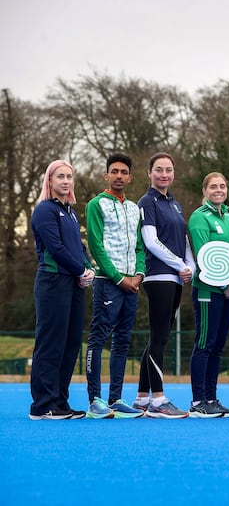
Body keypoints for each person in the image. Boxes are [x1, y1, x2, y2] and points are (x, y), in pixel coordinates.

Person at [29, 160, 95, 420]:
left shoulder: (70, 211)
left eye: (69, 176)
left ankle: (60, 402)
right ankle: (42, 405)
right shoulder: (44, 210)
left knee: (70, 344)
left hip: (73, 283)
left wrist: (88, 268)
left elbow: (78, 247)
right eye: (60, 177)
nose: (66, 181)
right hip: (52, 282)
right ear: (50, 181)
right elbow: (56, 248)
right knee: (50, 343)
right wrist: (80, 270)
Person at [134, 152, 195, 419]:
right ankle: (158, 400)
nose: (164, 174)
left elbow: (183, 240)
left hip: (176, 277)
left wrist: (190, 266)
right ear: (150, 173)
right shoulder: (146, 202)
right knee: (159, 336)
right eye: (159, 169)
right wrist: (178, 265)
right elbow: (150, 241)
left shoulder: (175, 204)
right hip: (158, 276)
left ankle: (140, 398)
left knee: (158, 336)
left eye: (168, 170)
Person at [84, 153, 145, 419]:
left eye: (124, 172)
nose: (119, 176)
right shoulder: (96, 204)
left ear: (130, 177)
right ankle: (95, 400)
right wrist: (119, 278)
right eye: (114, 171)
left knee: (122, 340)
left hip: (132, 283)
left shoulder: (134, 208)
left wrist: (138, 275)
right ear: (106, 175)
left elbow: (140, 246)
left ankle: (116, 398)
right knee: (99, 338)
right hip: (108, 282)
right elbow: (96, 245)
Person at [187, 172, 229, 418]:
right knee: (204, 344)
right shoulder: (200, 217)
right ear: (205, 190)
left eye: (222, 186)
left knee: (217, 346)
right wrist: (224, 285)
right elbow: (203, 258)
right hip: (208, 290)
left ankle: (211, 398)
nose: (219, 190)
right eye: (213, 186)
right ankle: (198, 401)